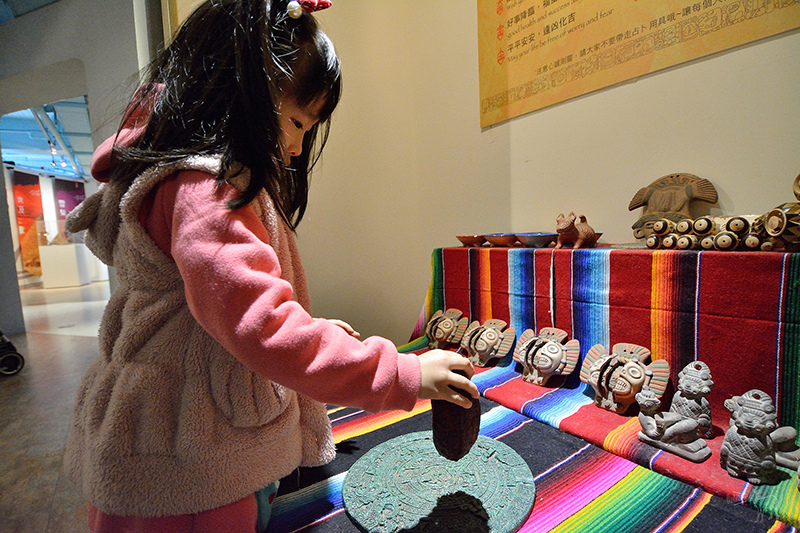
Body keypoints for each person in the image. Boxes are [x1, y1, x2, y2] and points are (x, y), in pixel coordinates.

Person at [62, 1, 479, 532]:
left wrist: (316, 331)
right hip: (189, 467)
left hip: (179, 442)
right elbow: (263, 328)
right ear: (242, 89)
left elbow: (225, 315)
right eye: (297, 121)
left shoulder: (195, 180)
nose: (297, 146)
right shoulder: (204, 190)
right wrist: (405, 371)